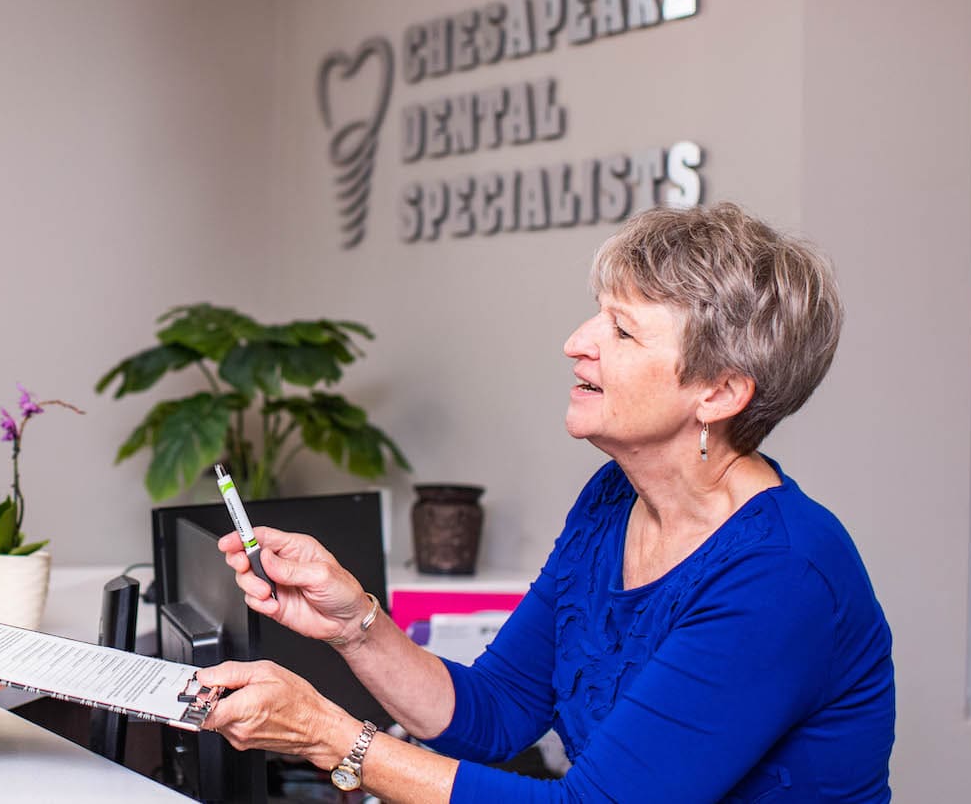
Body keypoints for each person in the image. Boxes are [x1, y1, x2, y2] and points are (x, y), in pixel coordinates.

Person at [197, 203, 894, 802]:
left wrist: (328, 735)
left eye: (621, 330)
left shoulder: (781, 575)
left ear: (718, 392)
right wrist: (354, 623)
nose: (577, 343)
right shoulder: (613, 501)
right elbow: (495, 712)